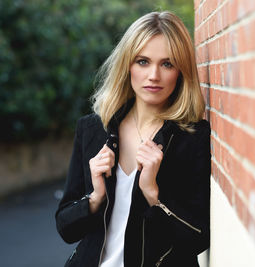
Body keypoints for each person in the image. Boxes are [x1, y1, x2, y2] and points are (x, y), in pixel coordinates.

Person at [55, 11, 211, 267]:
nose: (153, 75)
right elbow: (66, 228)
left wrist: (153, 194)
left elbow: (198, 240)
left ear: (181, 71)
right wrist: (95, 197)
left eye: (167, 64)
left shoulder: (192, 137)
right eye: (143, 61)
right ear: (127, 64)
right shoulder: (93, 129)